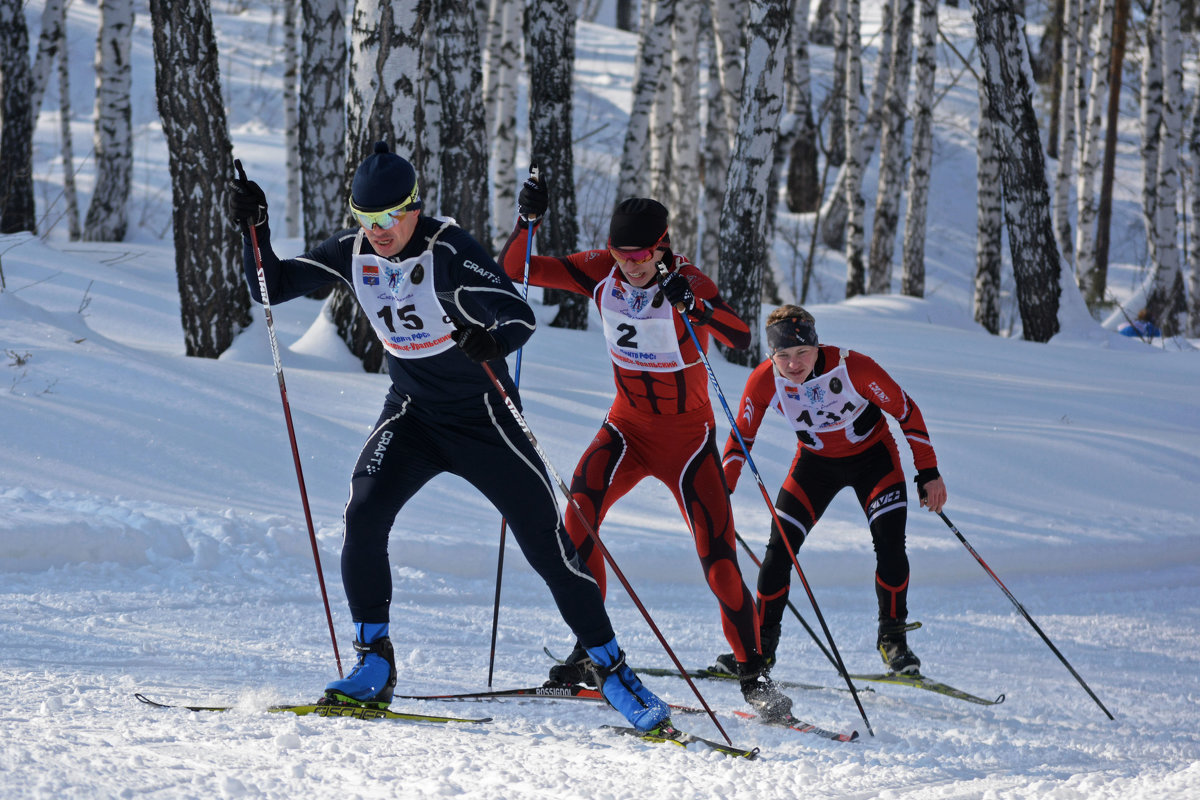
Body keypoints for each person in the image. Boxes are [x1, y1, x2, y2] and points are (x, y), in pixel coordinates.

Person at [226, 142, 670, 733]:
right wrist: (255, 229)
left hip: (482, 419)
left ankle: (610, 667)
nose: (378, 231)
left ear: (414, 208)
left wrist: (491, 343)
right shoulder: (352, 251)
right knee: (363, 515)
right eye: (366, 218)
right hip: (411, 415)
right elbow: (269, 286)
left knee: (546, 544)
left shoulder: (449, 249)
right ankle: (374, 663)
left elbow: (518, 315)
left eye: (389, 217)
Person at [497, 177, 792, 720]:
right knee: (576, 523)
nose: (630, 266)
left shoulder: (687, 280)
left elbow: (740, 334)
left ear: (662, 247)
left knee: (718, 560)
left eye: (641, 256)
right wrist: (526, 221)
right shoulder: (600, 271)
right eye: (621, 255)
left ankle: (755, 677)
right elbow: (517, 268)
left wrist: (696, 308)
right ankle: (591, 649)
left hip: (687, 443)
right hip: (626, 429)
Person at [711, 305, 947, 677]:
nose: (793, 364)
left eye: (802, 352)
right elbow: (741, 438)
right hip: (814, 466)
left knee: (890, 547)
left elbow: (907, 411)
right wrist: (723, 485)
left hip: (874, 460)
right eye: (783, 356)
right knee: (778, 552)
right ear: (771, 355)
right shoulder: (762, 381)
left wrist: (928, 472)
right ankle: (759, 649)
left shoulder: (854, 367)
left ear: (817, 346)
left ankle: (893, 641)